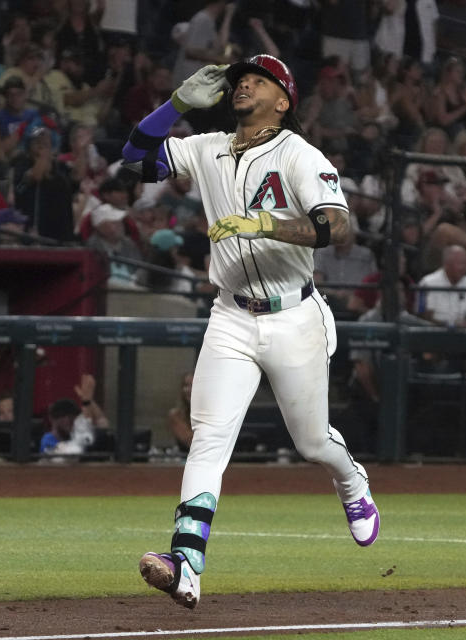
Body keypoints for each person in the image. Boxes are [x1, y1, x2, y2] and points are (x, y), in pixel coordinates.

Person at [122, 56, 379, 609]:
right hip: (231, 315)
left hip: (294, 316)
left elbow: (339, 226)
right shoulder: (208, 145)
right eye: (241, 78)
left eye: (259, 80)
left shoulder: (298, 154)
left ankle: (351, 479)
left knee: (312, 443)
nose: (244, 83)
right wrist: (177, 106)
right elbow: (134, 159)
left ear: (283, 101)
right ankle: (186, 563)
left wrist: (266, 224)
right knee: (209, 435)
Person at [39, 374, 107, 455]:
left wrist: (88, 400)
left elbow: (102, 422)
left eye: (72, 416)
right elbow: (69, 454)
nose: (68, 420)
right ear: (52, 419)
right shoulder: (47, 440)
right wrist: (86, 403)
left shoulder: (75, 435)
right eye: (62, 416)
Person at [416, 244, 466, 327]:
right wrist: (451, 326)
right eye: (460, 263)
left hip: (464, 334)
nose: (464, 268)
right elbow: (424, 317)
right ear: (447, 264)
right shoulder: (428, 283)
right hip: (435, 334)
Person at [166, 372, 194, 453]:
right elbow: (191, 443)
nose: (188, 390)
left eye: (193, 385)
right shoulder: (176, 415)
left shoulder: (211, 413)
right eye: (186, 385)